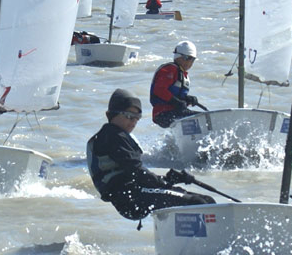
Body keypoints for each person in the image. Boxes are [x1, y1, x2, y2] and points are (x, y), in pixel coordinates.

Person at [88, 89, 216, 220]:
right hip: (130, 197)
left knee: (206, 200)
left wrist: (168, 179)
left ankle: (174, 231)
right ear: (110, 114)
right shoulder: (111, 136)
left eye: (137, 118)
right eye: (129, 116)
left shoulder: (114, 136)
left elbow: (135, 174)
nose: (133, 122)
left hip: (134, 193)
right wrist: (163, 183)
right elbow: (136, 171)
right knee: (199, 203)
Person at [150, 40, 203, 127]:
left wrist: (187, 99)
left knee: (199, 116)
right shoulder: (170, 69)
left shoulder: (182, 74)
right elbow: (159, 90)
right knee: (201, 118)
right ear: (177, 57)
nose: (189, 62)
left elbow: (177, 97)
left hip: (174, 112)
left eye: (192, 59)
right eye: (187, 58)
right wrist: (175, 102)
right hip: (163, 113)